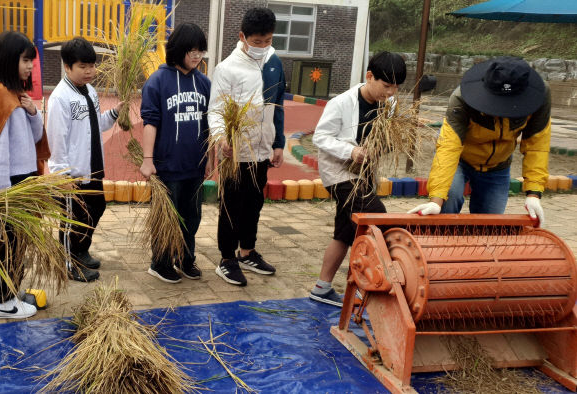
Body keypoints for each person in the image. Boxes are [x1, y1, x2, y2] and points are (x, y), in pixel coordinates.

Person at [309, 52, 407, 306]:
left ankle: (322, 287)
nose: (391, 93)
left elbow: (385, 138)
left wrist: (385, 145)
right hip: (339, 174)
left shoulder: (389, 104)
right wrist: (350, 151)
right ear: (369, 76)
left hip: (363, 174)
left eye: (395, 88)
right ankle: (370, 287)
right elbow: (320, 137)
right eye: (386, 86)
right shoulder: (341, 103)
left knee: (343, 231)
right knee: (376, 218)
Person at [409, 56, 549, 225]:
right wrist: (436, 200)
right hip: (460, 160)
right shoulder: (462, 98)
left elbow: (537, 145)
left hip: (498, 166)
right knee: (448, 200)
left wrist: (534, 194)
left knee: (489, 226)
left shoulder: (539, 96)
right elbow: (448, 147)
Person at [0, 31, 48, 319]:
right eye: (25, 60)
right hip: (11, 185)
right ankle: (1, 302)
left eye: (32, 61)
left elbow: (37, 136)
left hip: (24, 180)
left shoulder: (17, 96)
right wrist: (2, 192)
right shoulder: (1, 95)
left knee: (19, 241)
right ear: (9, 59)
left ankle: (11, 292)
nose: (30, 66)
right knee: (7, 241)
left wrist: (32, 112)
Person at [208, 7, 286, 287]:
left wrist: (278, 143)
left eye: (267, 41)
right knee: (231, 204)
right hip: (236, 151)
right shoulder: (227, 68)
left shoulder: (274, 62)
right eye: (256, 42)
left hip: (262, 150)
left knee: (254, 202)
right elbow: (215, 110)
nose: (262, 47)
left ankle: (247, 251)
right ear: (242, 36)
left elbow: (277, 105)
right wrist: (221, 137)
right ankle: (227, 259)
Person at [47, 37, 123, 282]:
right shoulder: (60, 98)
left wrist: (113, 114)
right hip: (73, 174)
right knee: (73, 220)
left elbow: (94, 124)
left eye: (92, 65)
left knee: (96, 208)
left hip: (94, 168)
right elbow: (57, 139)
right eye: (83, 66)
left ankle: (81, 251)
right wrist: (62, 175)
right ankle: (69, 264)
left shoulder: (89, 91)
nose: (90, 71)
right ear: (67, 67)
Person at [140, 23, 212, 283]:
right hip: (166, 166)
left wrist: (209, 160)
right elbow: (151, 122)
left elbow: (210, 125)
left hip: (194, 165)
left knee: (191, 217)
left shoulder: (204, 83)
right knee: (166, 217)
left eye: (200, 51)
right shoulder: (158, 81)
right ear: (178, 49)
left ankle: (185, 258)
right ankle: (160, 262)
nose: (197, 56)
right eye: (192, 50)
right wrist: (148, 160)